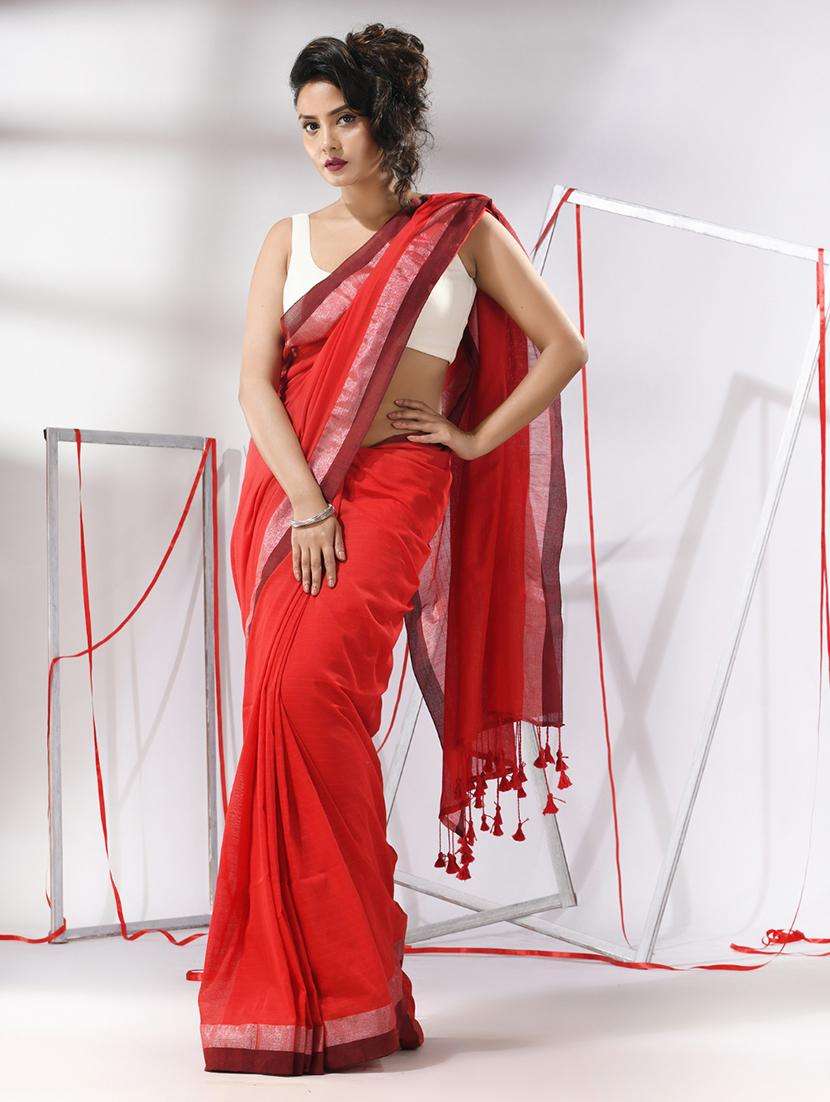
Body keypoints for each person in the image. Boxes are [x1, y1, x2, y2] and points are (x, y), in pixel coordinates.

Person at [197, 22, 587, 1077]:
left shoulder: (458, 231)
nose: (325, 143)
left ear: (389, 120)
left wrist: (472, 438)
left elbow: (563, 347)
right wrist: (307, 503)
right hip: (291, 501)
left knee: (314, 700)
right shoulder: (287, 237)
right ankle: (324, 991)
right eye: (307, 125)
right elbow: (254, 384)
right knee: (284, 710)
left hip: (399, 486)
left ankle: (346, 982)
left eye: (344, 119)